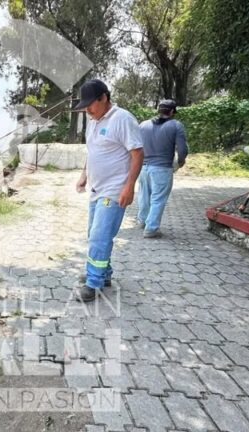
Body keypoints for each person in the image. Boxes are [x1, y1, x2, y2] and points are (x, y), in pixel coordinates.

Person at [74, 79, 144, 303]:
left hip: (114, 191)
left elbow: (137, 154)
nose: (87, 110)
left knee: (99, 237)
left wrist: (129, 186)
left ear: (104, 98)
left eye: (90, 104)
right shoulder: (94, 121)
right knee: (94, 235)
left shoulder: (122, 119)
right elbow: (92, 151)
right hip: (96, 189)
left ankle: (93, 284)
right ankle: (103, 274)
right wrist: (84, 175)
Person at [136, 99, 188, 238]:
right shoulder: (176, 125)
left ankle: (142, 221)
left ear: (158, 110)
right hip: (162, 168)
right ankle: (151, 229)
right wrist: (180, 162)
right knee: (158, 199)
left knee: (144, 195)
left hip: (143, 167)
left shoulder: (143, 125)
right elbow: (182, 150)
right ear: (172, 112)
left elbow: (136, 146)